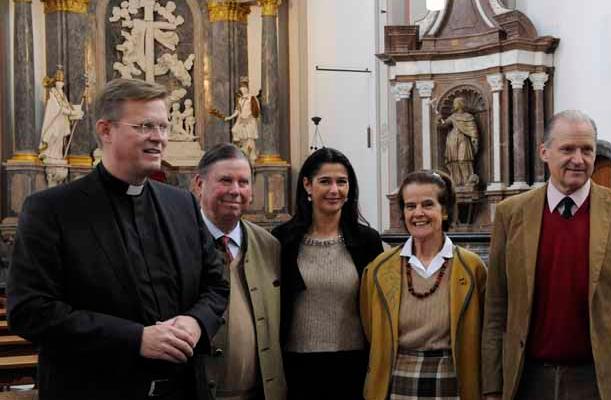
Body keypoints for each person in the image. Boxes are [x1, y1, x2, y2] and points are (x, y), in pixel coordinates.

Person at [8, 78, 229, 400]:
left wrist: (196, 322)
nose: (159, 138)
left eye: (164, 127)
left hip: (183, 389)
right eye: (145, 126)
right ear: (106, 130)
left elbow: (216, 284)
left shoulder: (181, 203)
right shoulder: (51, 209)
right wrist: (135, 338)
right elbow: (30, 310)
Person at [481, 110, 611, 400]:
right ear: (545, 151)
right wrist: (491, 387)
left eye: (587, 150)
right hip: (527, 380)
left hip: (598, 380)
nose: (578, 159)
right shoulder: (511, 214)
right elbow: (496, 308)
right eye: (567, 149)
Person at [361, 170, 486, 400]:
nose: (418, 213)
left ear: (445, 210)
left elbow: (485, 332)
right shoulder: (379, 269)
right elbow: (371, 328)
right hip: (396, 379)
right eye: (410, 206)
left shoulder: (472, 268)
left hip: (454, 380)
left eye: (428, 204)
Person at [271, 147, 383, 399]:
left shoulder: (367, 241)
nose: (334, 190)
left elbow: (379, 305)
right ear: (307, 186)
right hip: (296, 365)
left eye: (342, 182)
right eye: (325, 181)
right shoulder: (282, 240)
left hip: (353, 364)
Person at [193, 143, 286, 400]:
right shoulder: (178, 239)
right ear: (199, 184)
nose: (235, 190)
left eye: (243, 182)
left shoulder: (268, 245)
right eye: (225, 180)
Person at [39, 66, 84, 162]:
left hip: (62, 121)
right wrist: (70, 112)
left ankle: (57, 155)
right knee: (54, 136)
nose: (60, 84)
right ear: (54, 82)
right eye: (58, 81)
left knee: (59, 140)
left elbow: (67, 107)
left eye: (62, 82)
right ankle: (49, 154)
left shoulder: (63, 94)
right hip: (54, 120)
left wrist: (76, 113)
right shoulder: (52, 93)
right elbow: (56, 108)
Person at [439, 97, 479, 186]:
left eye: (456, 103)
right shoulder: (453, 116)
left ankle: (467, 179)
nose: (454, 105)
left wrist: (474, 138)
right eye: (454, 103)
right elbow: (443, 125)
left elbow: (472, 128)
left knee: (463, 159)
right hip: (452, 140)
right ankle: (456, 181)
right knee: (454, 160)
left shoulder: (468, 116)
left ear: (461, 104)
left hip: (463, 139)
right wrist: (439, 118)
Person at [225, 78, 260, 164]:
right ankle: (244, 153)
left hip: (249, 120)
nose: (243, 90)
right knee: (236, 132)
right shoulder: (240, 99)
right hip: (241, 119)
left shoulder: (252, 98)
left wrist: (248, 116)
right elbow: (237, 111)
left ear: (247, 88)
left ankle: (252, 156)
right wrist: (229, 117)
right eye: (242, 88)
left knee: (250, 138)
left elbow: (256, 109)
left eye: (244, 88)